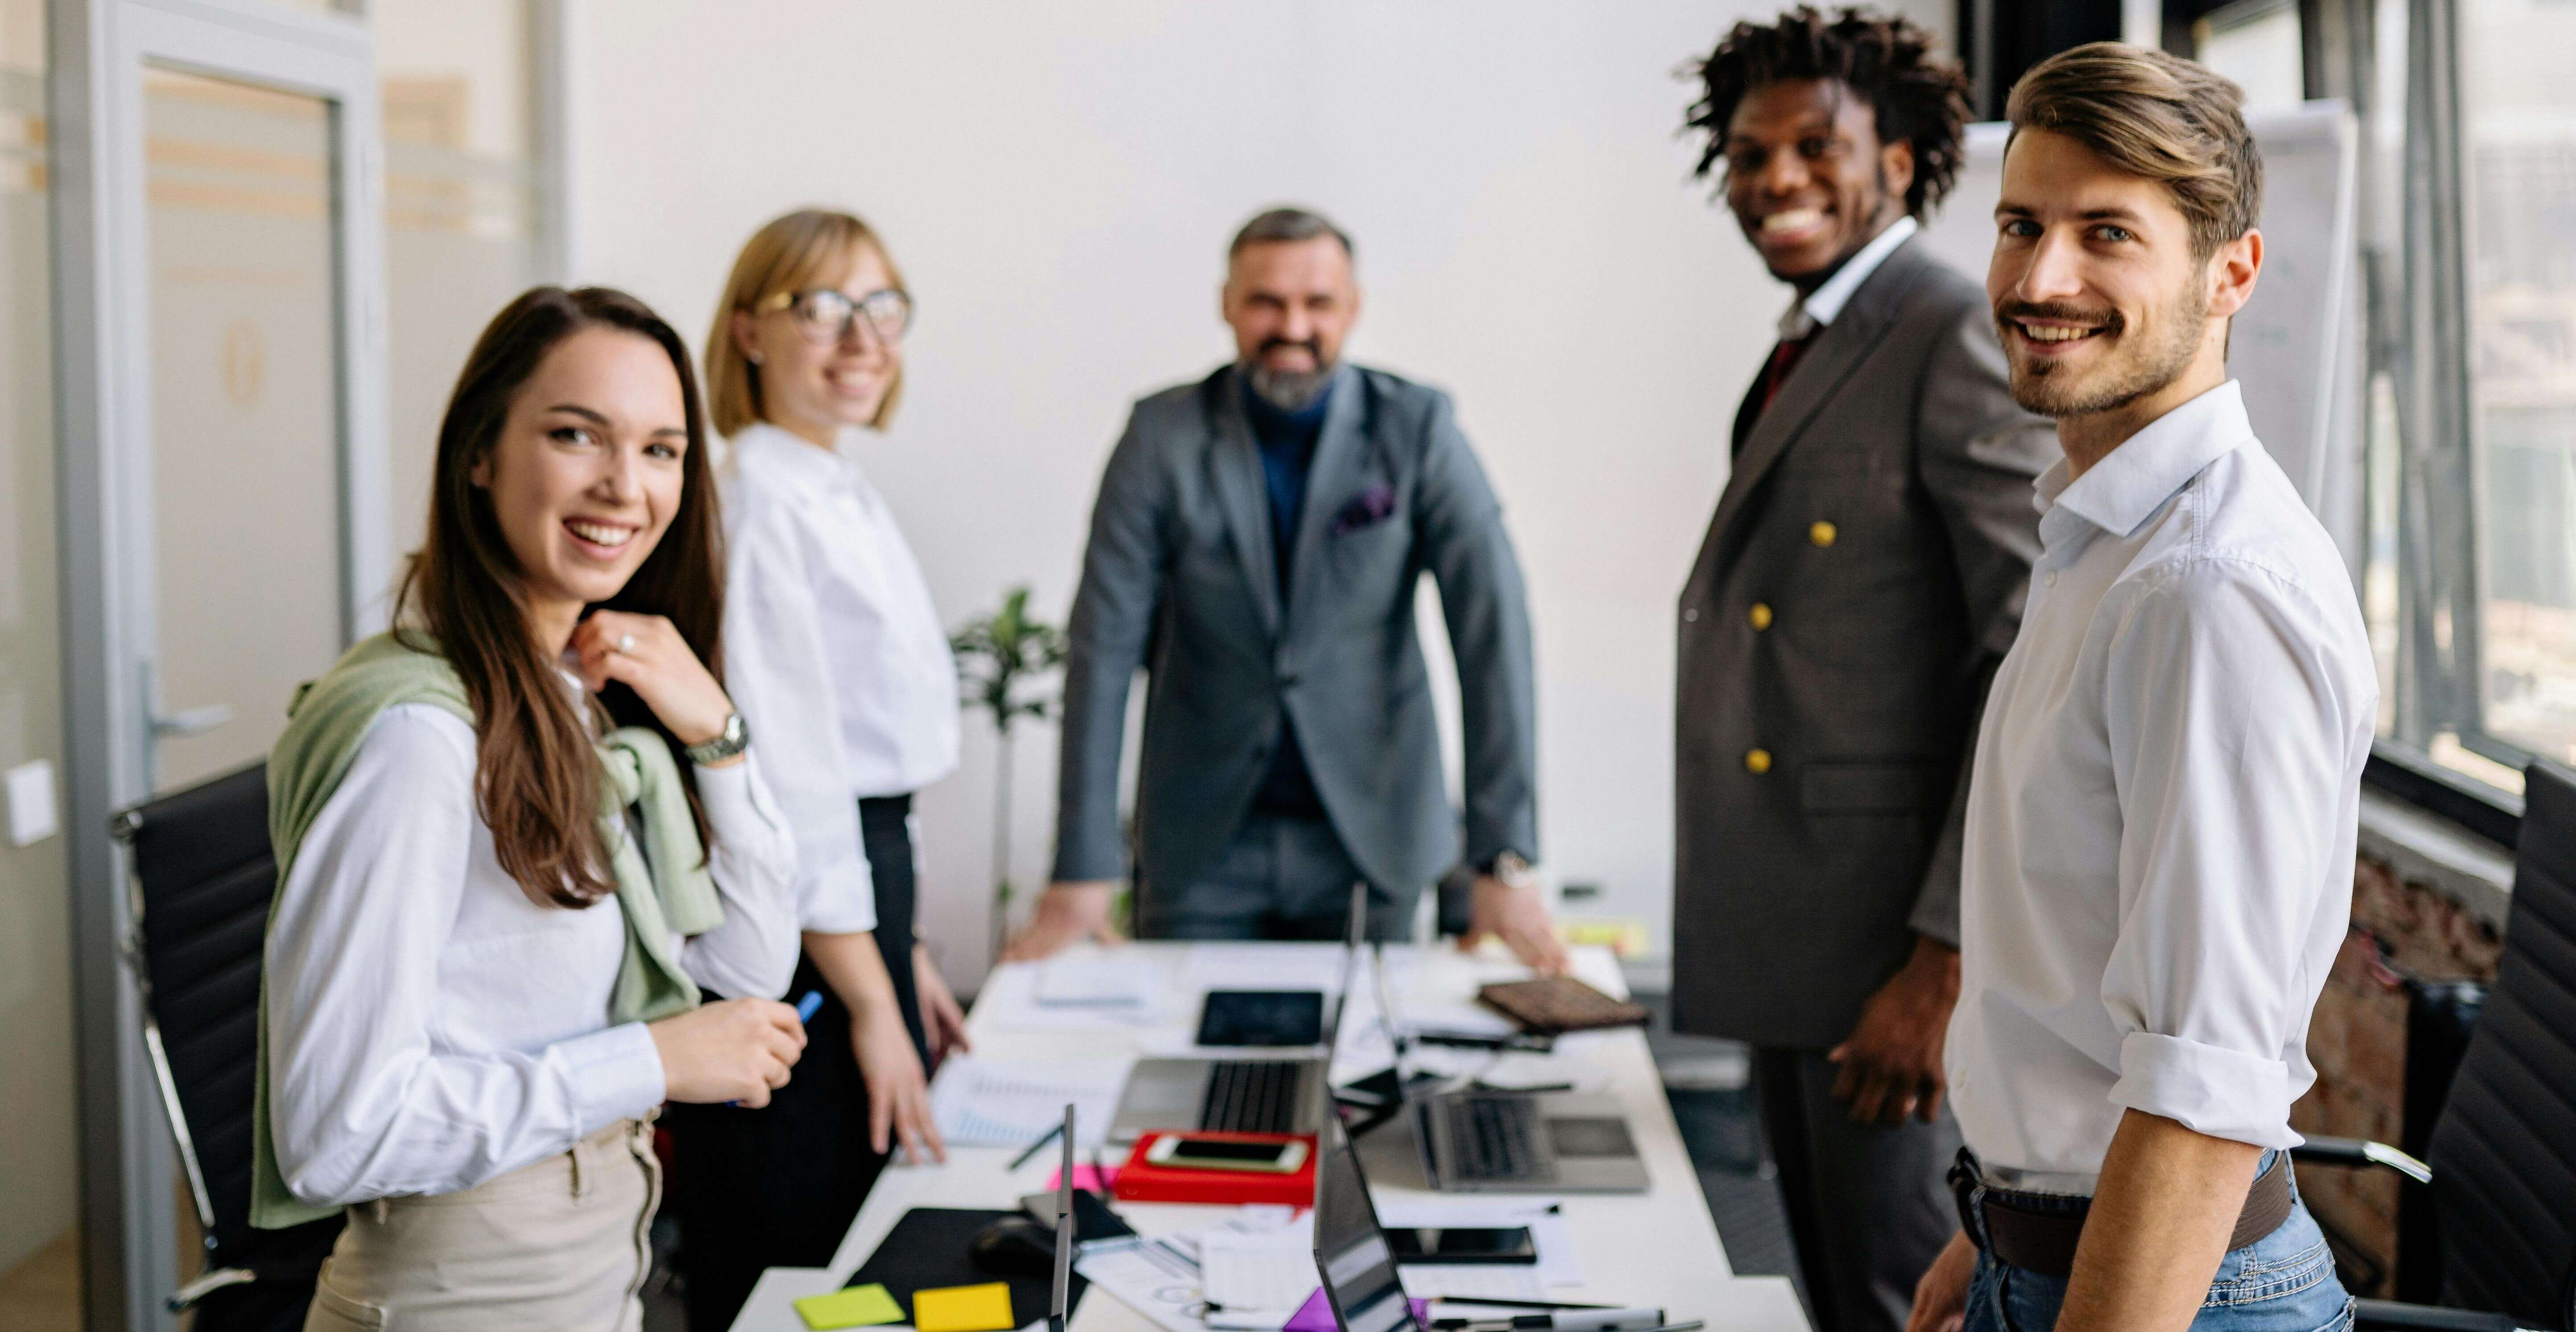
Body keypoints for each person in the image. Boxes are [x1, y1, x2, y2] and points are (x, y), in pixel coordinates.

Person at [1905, 44, 2375, 1332]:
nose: (2039, 279)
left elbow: (2203, 1080)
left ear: (2233, 271)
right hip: (2060, 1249)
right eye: (2020, 226)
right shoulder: (2101, 536)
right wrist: (1998, 1223)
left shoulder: (2205, 586)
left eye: (2106, 233)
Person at [258, 286, 808, 1329]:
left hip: (595, 1256)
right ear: (480, 453)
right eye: (574, 435)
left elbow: (744, 973)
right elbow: (335, 1132)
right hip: (466, 1283)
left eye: (660, 450)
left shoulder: (572, 694)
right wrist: (651, 1058)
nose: (624, 485)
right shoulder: (421, 738)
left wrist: (718, 738)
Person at [1669, 11, 2057, 1329]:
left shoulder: (1942, 330)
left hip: (1888, 954)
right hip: (1801, 929)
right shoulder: (1823, 334)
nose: (1774, 178)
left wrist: (1942, 963)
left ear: (1896, 160)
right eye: (1747, 152)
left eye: (1812, 146)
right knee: (1834, 1294)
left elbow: (2023, 657)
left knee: (1899, 1302)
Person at [1005, 207, 1566, 968]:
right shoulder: (1158, 437)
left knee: (1364, 1079)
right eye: (1266, 301)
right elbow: (1103, 650)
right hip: (1201, 846)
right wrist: (1082, 865)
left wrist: (1502, 857)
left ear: (1353, 307)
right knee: (1192, 1077)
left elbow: (1492, 633)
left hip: (1375, 839)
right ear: (1227, 304)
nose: (1292, 326)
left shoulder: (1418, 428)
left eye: (1317, 303)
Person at [666, 209, 965, 1332]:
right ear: (746, 330)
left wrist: (910, 947)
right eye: (821, 308)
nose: (861, 336)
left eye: (881, 306)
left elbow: (873, 763)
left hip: (862, 895)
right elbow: (792, 792)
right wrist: (872, 999)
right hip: (793, 920)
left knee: (862, 1248)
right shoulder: (758, 503)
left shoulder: (838, 487)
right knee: (800, 1263)